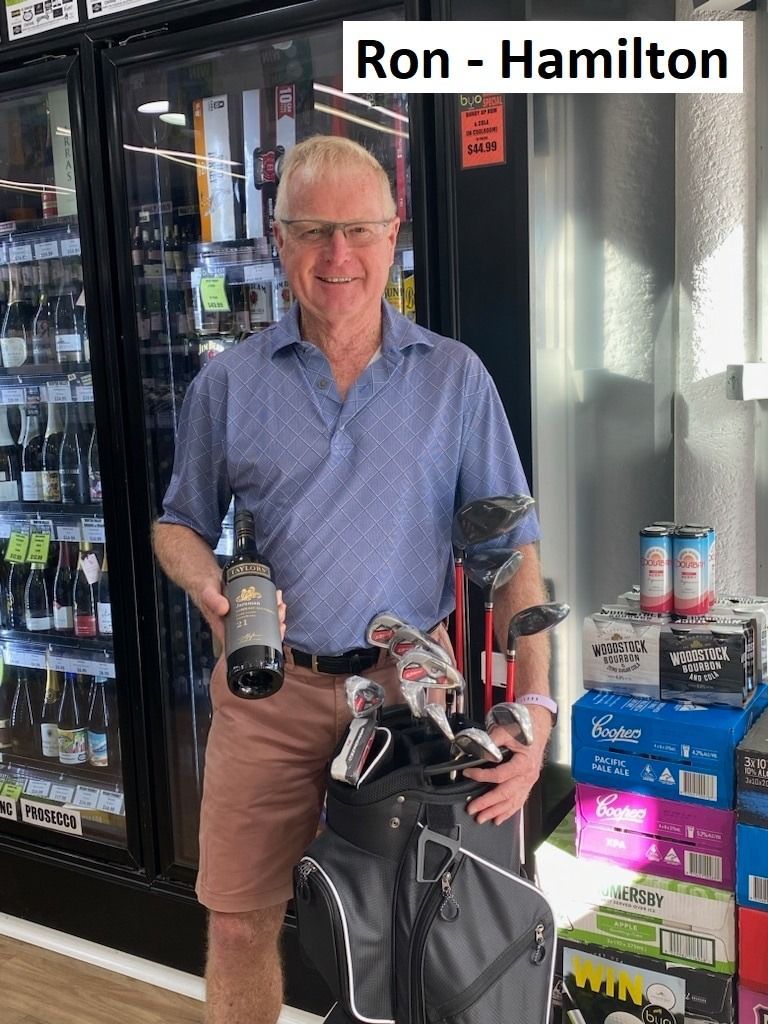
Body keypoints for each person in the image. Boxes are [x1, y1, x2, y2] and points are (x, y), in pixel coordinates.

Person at [153, 135, 555, 1024]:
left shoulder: (452, 378)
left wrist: (535, 708)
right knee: (241, 923)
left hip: (411, 698)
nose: (338, 254)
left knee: (423, 926)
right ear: (279, 240)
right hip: (270, 694)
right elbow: (177, 523)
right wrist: (209, 586)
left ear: (393, 235)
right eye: (313, 231)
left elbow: (512, 555)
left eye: (360, 230)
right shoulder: (231, 384)